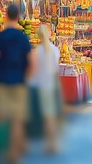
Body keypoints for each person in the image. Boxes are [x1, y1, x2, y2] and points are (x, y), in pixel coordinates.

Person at [0, 4, 34, 163]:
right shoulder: (23, 38)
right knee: (16, 120)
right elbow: (31, 62)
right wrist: (26, 79)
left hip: (1, 81)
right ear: (19, 17)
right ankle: (14, 154)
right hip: (18, 83)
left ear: (6, 16)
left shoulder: (1, 36)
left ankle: (4, 148)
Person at [29, 25, 61, 154]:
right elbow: (55, 69)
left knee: (42, 116)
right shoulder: (54, 50)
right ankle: (52, 143)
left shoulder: (38, 51)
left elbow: (34, 70)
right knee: (50, 115)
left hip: (39, 85)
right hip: (50, 85)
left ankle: (47, 143)